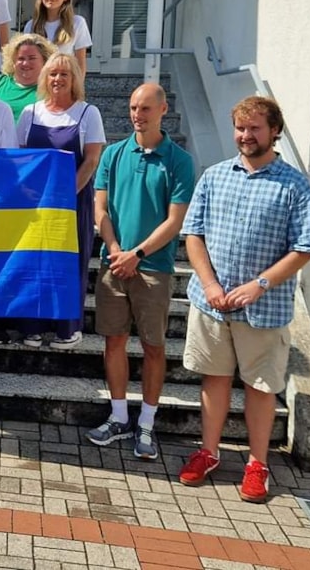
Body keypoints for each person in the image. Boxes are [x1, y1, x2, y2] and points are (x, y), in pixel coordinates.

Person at [178, 96, 310, 503]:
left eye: (255, 128)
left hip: (264, 307)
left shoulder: (294, 185)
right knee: (214, 377)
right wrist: (209, 285)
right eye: (241, 128)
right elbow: (194, 235)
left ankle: (258, 464)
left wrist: (259, 284)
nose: (246, 135)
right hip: (212, 303)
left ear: (274, 131)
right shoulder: (215, 176)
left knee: (260, 386)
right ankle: (208, 452)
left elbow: (304, 248)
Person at [84, 83, 195, 461]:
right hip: (114, 264)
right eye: (133, 107)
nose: (137, 114)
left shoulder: (179, 160)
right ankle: (118, 416)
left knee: (153, 347)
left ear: (163, 110)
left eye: (146, 108)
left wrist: (139, 253)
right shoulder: (114, 154)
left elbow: (175, 220)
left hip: (154, 269)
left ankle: (146, 423)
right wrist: (116, 250)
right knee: (113, 341)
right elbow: (101, 210)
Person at [16, 53, 105, 349]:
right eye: (53, 73)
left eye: (64, 74)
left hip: (72, 203)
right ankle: (33, 327)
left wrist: (65, 196)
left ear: (75, 79)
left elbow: (91, 160)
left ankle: (68, 328)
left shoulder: (87, 113)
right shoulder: (29, 113)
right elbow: (21, 158)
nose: (57, 79)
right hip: (35, 205)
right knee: (35, 263)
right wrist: (31, 195)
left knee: (69, 264)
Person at [24, 0, 92, 74]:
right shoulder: (31, 25)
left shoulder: (77, 23)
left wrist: (77, 87)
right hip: (37, 84)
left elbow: (80, 63)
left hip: (64, 81)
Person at [0, 33, 57, 123]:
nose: (26, 63)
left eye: (32, 58)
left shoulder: (52, 88)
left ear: (45, 60)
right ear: (13, 61)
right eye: (21, 58)